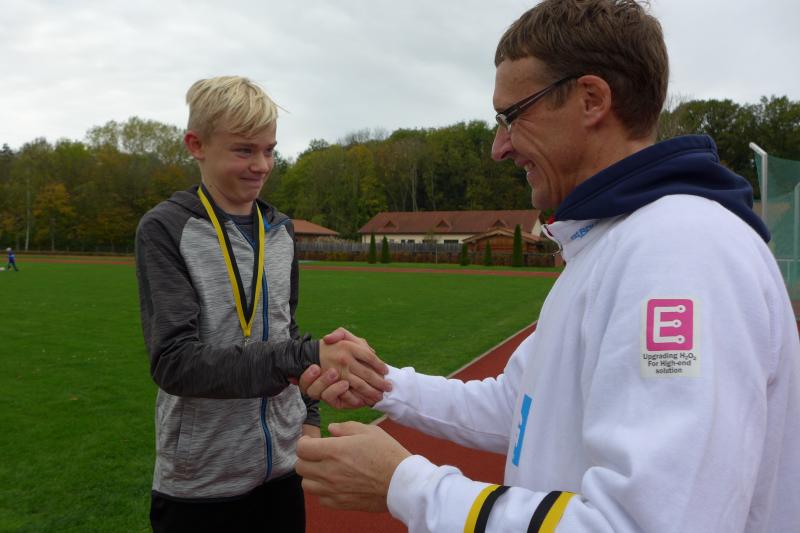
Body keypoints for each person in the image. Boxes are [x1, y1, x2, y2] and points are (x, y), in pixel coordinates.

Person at [295, 1, 800, 532]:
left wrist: (407, 486)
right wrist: (386, 387)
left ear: (591, 99)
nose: (499, 147)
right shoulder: (612, 241)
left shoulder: (678, 251)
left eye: (511, 116)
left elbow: (644, 524)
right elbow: (522, 405)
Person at [134, 75, 390, 533]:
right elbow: (174, 363)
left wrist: (309, 411)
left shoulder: (280, 231)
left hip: (283, 471)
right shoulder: (165, 229)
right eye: (244, 150)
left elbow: (286, 331)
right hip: (202, 483)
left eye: (270, 150)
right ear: (196, 145)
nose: (261, 165)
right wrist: (306, 356)